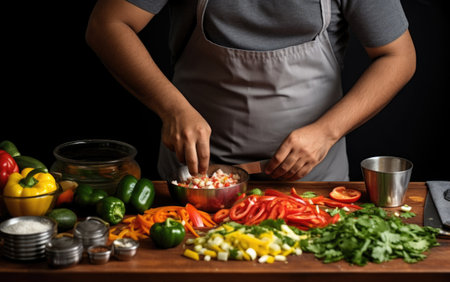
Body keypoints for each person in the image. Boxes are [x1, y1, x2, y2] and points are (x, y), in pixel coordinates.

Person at [85, 0, 416, 181]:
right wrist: (173, 109)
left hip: (314, 181)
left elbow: (399, 57)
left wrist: (327, 132)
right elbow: (107, 24)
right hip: (199, 181)